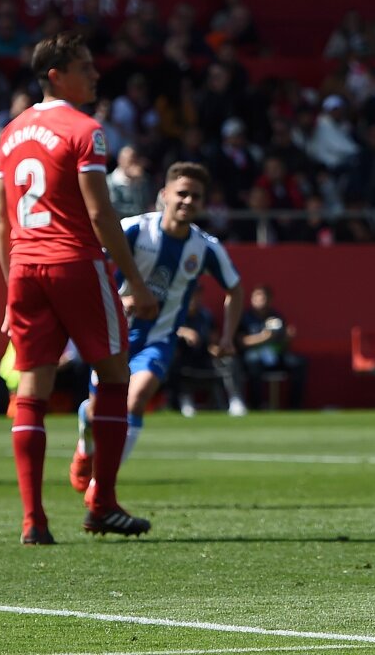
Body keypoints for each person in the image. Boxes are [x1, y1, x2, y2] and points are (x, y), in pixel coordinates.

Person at [0, 31, 159, 545]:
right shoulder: (87, 130)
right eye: (85, 67)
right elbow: (99, 211)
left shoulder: (10, 132)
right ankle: (102, 503)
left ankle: (33, 520)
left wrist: (9, 286)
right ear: (56, 74)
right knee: (113, 376)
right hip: (75, 264)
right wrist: (134, 280)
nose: (95, 74)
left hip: (25, 268)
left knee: (32, 391)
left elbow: (1, 219)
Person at [69, 162, 244, 497]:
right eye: (182, 193)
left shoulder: (204, 247)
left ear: (203, 203)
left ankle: (101, 486)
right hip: (114, 334)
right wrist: (121, 303)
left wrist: (226, 337)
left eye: (196, 196)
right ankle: (84, 445)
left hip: (159, 340)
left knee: (135, 400)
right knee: (97, 411)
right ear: (164, 194)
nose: (188, 201)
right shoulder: (134, 230)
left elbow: (235, 289)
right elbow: (95, 271)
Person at [167, 285, 248, 417]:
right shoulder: (175, 315)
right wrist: (184, 332)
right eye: (191, 296)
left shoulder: (206, 316)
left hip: (204, 358)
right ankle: (184, 400)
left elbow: (212, 341)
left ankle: (235, 400)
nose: (194, 299)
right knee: (172, 364)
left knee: (229, 361)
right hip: (183, 358)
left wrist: (217, 350)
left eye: (197, 296)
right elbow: (166, 332)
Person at [237, 285, 308, 409]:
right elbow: (241, 342)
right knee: (252, 361)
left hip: (275, 355)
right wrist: (263, 337)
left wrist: (287, 337)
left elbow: (284, 343)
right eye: (257, 297)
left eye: (263, 298)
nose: (260, 301)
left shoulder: (276, 316)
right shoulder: (244, 317)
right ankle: (256, 406)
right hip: (254, 355)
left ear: (269, 299)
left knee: (299, 363)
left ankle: (295, 406)